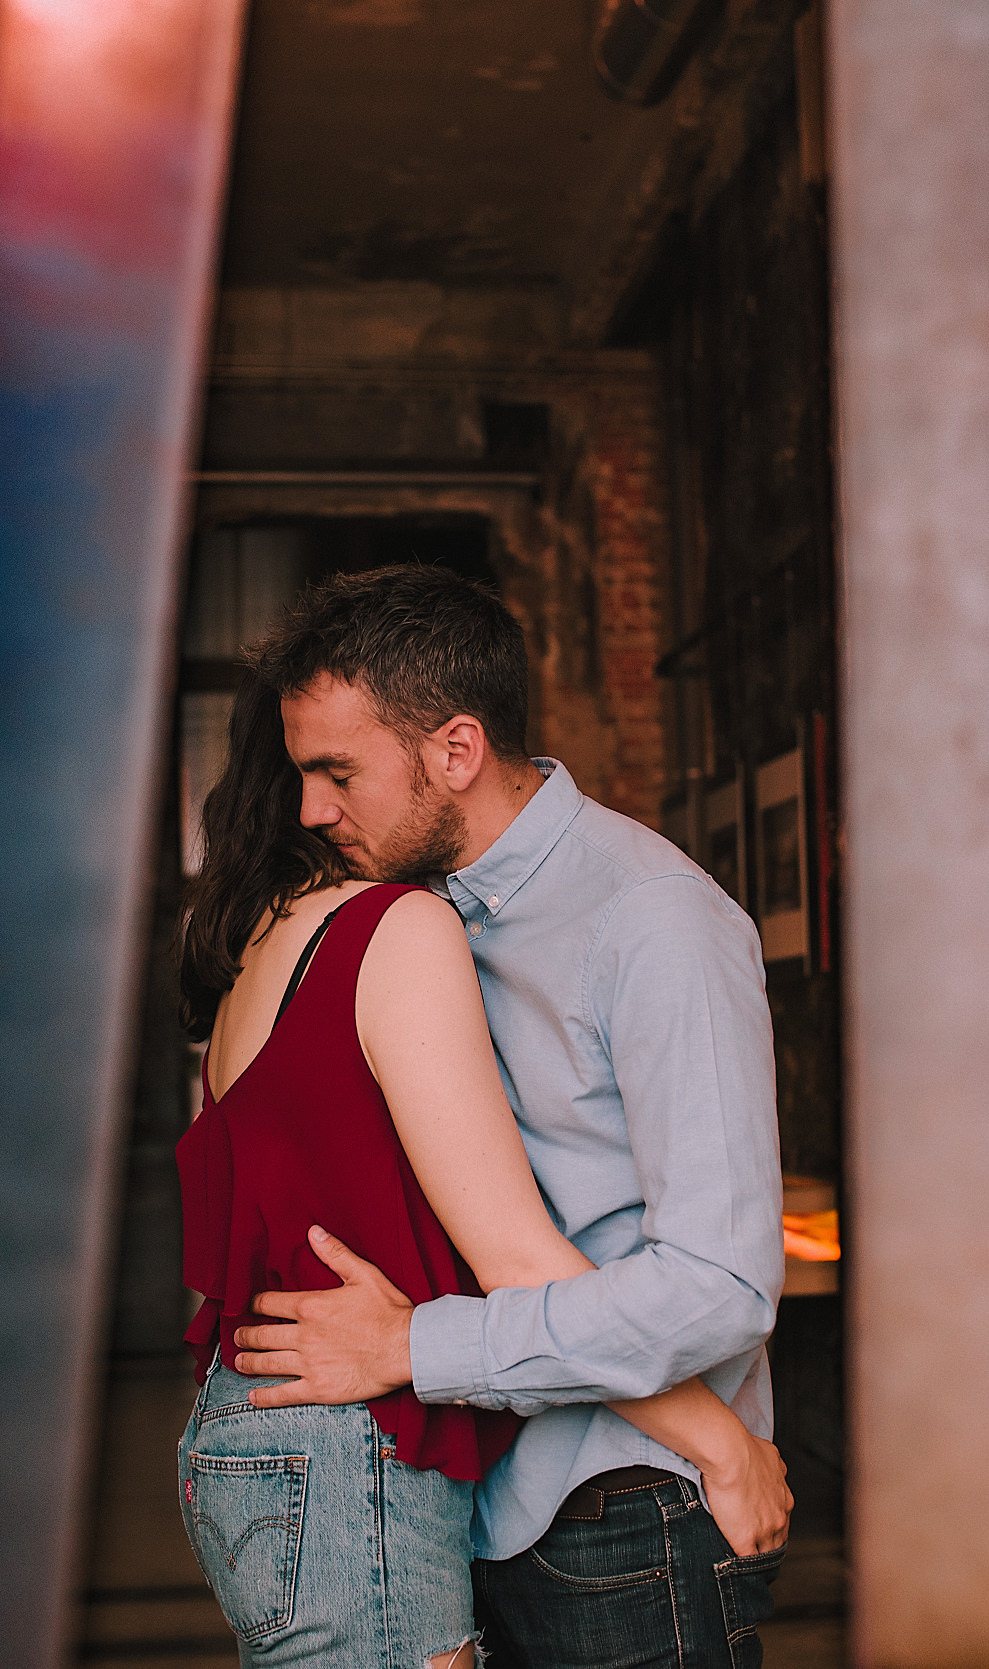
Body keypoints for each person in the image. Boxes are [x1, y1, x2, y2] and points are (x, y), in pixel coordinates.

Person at [224, 565, 789, 1669]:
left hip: (628, 1511)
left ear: (455, 749)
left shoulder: (653, 923)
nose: (309, 810)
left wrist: (416, 1346)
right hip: (472, 1505)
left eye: (336, 771)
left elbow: (718, 1286)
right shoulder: (409, 914)